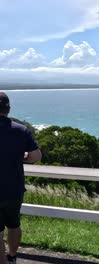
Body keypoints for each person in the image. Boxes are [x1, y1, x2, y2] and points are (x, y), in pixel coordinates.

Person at [0, 92, 42, 264]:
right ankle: (12, 257)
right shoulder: (20, 130)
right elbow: (36, 156)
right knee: (14, 224)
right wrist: (21, 155)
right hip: (14, 188)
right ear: (8, 109)